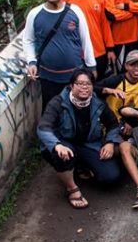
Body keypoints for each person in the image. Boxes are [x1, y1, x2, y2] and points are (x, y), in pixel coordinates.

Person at [37, 70, 121, 209]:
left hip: (88, 144)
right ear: (71, 86)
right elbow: (43, 127)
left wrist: (111, 142)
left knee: (110, 177)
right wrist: (57, 145)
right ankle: (72, 188)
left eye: (88, 84)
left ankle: (81, 165)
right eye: (80, 83)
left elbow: (113, 124)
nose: (84, 87)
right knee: (62, 155)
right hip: (64, 143)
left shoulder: (97, 103)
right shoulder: (58, 102)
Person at [24, 0, 96, 109]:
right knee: (51, 111)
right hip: (48, 78)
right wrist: (31, 62)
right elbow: (28, 40)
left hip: (74, 77)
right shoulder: (35, 14)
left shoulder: (75, 11)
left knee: (78, 110)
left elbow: (85, 39)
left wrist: (91, 65)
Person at [64, 0, 115, 79]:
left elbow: (104, 25)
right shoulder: (65, 0)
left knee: (99, 86)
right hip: (76, 54)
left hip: (98, 51)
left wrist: (110, 49)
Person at [95, 50, 138, 121]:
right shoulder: (116, 80)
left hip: (134, 120)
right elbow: (92, 88)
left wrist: (131, 124)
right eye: (132, 64)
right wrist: (108, 90)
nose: (136, 68)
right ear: (126, 66)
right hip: (113, 122)